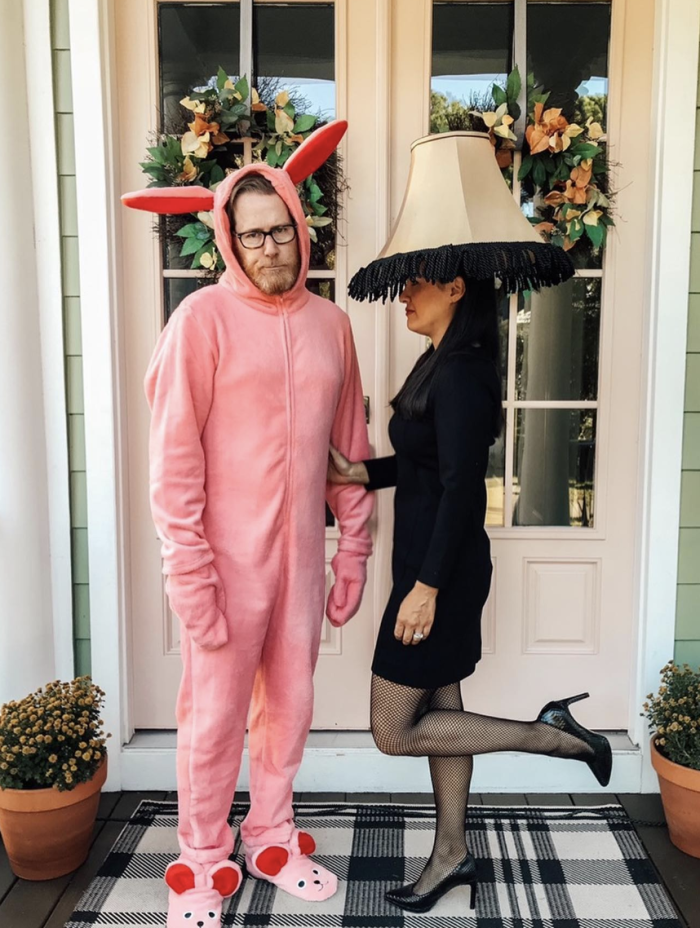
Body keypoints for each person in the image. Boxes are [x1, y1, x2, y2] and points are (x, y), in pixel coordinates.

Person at [328, 272, 612, 913]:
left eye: (416, 285)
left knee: (394, 730)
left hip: (442, 577)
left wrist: (425, 589)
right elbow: (426, 461)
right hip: (429, 569)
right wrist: (357, 473)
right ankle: (452, 853)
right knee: (444, 705)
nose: (404, 296)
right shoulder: (440, 363)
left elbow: (462, 488)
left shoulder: (461, 374)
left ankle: (551, 735)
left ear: (455, 289)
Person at [141, 140, 373, 923]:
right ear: (227, 240)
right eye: (253, 235)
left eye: (282, 231)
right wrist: (188, 575)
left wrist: (354, 555)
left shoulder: (331, 326)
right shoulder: (199, 321)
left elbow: (352, 454)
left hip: (300, 567)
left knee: (292, 706)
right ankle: (201, 860)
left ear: (303, 228)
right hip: (225, 569)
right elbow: (173, 466)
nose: (271, 247)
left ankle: (271, 833)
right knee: (211, 720)